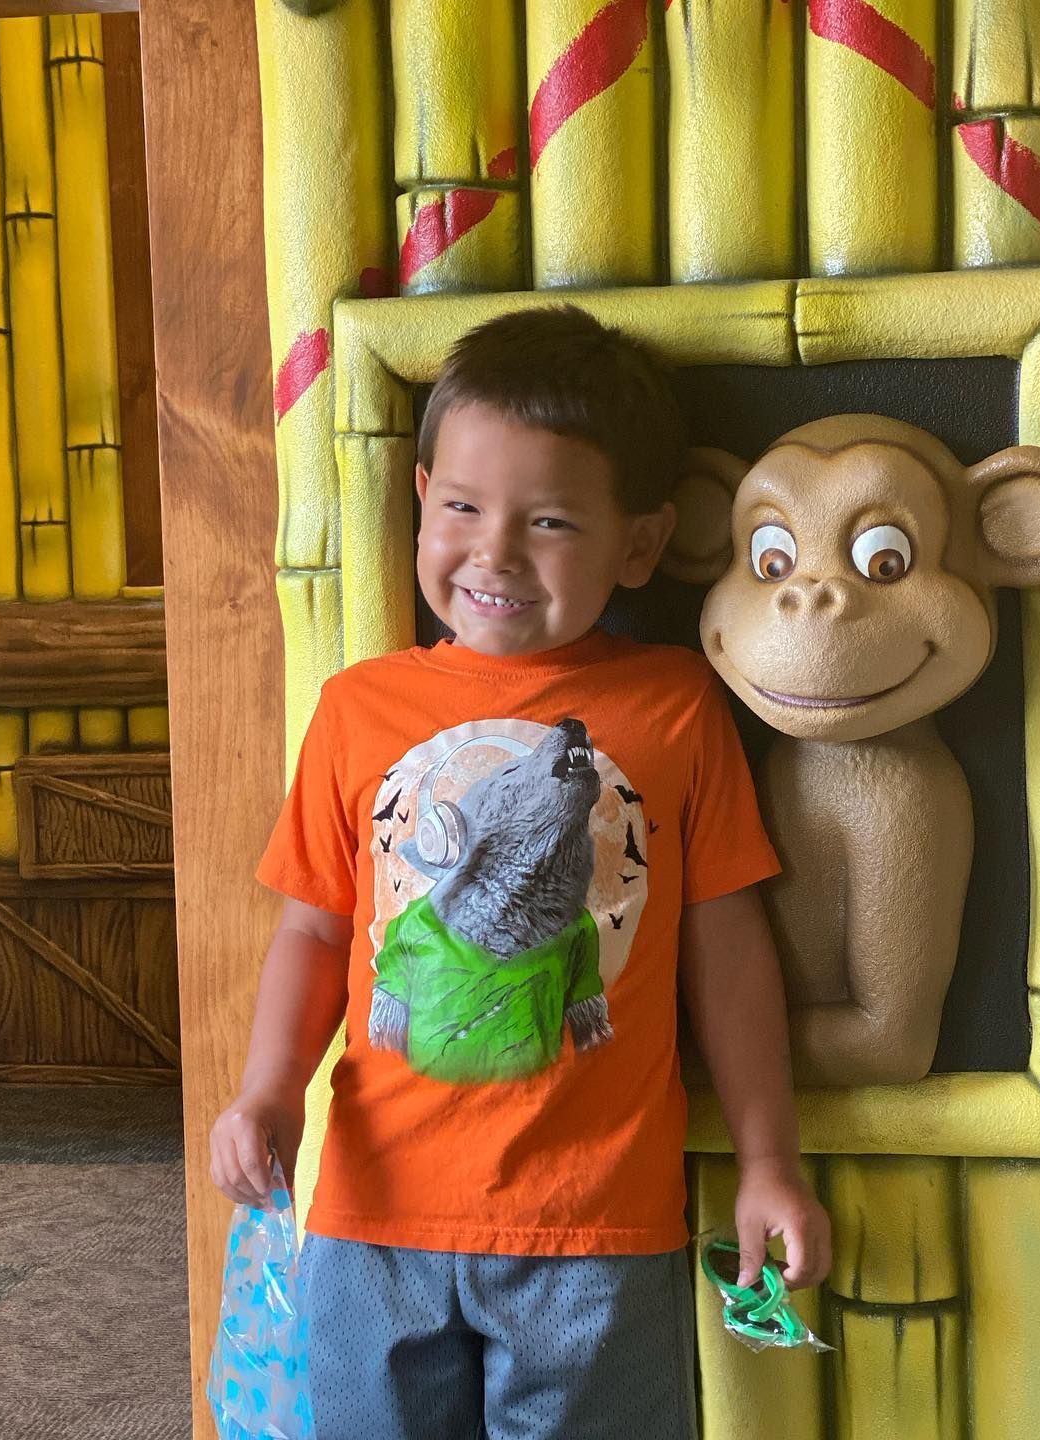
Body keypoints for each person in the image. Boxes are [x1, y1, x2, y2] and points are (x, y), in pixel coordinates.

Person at [210, 305, 831, 1439]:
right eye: (462, 507)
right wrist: (266, 1091)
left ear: (639, 545)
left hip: (595, 1230)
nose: (492, 553)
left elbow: (725, 945)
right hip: (374, 1220)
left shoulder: (676, 707)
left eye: (548, 521)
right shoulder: (359, 709)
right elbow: (313, 931)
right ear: (421, 498)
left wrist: (768, 1160)